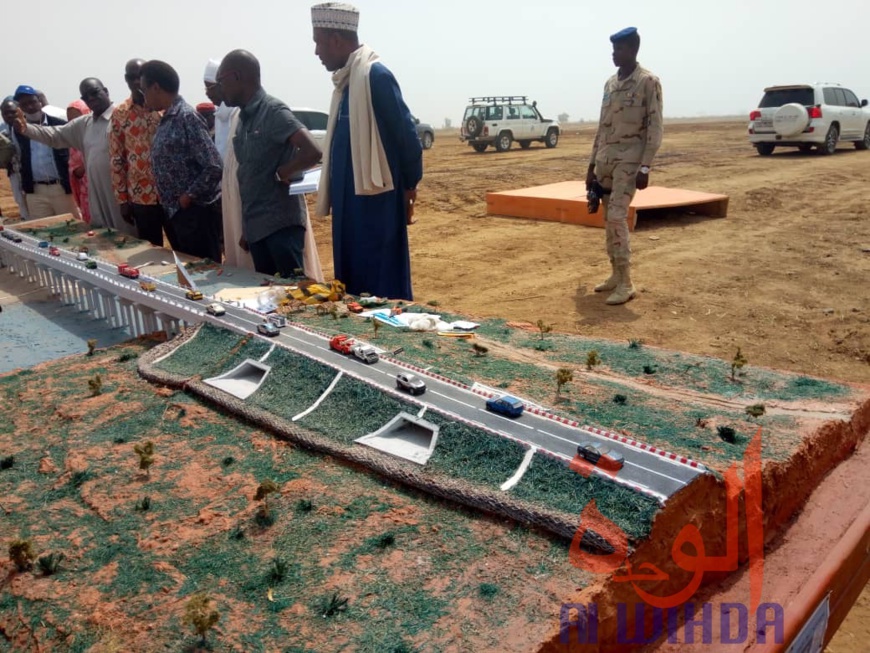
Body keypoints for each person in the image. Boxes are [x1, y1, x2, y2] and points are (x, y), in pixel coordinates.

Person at [311, 2, 422, 300]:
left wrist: (410, 184)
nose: (316, 52)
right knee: (351, 286)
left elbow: (406, 136)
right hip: (348, 206)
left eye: (318, 42)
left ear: (335, 39)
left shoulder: (376, 76)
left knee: (382, 285)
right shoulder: (345, 84)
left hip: (378, 205)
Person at [217, 49, 322, 278]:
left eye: (221, 81)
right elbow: (248, 175)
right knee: (269, 299)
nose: (219, 88)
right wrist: (247, 228)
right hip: (257, 231)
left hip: (281, 229)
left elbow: (312, 150)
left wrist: (282, 172)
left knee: (294, 299)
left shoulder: (272, 110)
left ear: (237, 77)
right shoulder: (243, 119)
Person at [586, 27, 663, 306]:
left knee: (617, 217)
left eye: (619, 49)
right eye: (613, 49)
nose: (614, 54)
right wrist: (591, 165)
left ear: (632, 49)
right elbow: (601, 126)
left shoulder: (648, 82)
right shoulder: (610, 84)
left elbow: (655, 126)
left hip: (630, 160)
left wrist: (645, 166)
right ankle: (615, 275)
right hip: (606, 160)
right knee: (608, 219)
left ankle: (627, 282)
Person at [15, 79, 132, 233]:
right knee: (106, 238)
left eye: (94, 93)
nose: (90, 98)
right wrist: (27, 129)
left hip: (123, 197)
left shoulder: (123, 118)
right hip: (97, 195)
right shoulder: (84, 124)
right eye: (85, 97)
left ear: (106, 91)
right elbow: (55, 135)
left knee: (129, 237)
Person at [140, 60, 223, 261]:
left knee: (205, 275)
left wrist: (188, 197)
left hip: (195, 215)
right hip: (179, 215)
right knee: (189, 275)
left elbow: (213, 165)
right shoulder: (168, 118)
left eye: (144, 90)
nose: (144, 97)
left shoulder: (186, 117)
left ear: (156, 87)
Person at [109, 58, 164, 246]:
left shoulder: (164, 107)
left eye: (139, 77)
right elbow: (117, 158)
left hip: (170, 194)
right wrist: (122, 201)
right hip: (141, 196)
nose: (135, 82)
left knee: (183, 249)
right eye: (131, 77)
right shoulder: (120, 113)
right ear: (126, 79)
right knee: (152, 249)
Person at [12, 85, 78, 220]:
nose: (30, 107)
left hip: (61, 188)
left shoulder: (59, 123)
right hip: (36, 191)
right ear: (20, 107)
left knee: (72, 226)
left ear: (40, 102)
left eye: (32, 102)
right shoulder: (18, 130)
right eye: (25, 104)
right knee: (42, 232)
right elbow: (20, 157)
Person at [0, 98, 30, 219]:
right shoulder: (4, 134)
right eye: (5, 113)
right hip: (14, 175)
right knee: (22, 205)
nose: (9, 115)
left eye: (12, 112)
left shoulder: (29, 129)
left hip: (31, 176)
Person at [204, 59, 237, 159]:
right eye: (206, 88)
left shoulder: (237, 112)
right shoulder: (219, 114)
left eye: (211, 88)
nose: (207, 93)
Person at [66, 100, 91, 223]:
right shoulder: (74, 142)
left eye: (76, 118)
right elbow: (74, 171)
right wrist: (89, 163)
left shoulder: (102, 132)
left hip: (107, 193)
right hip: (87, 196)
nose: (74, 123)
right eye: (70, 119)